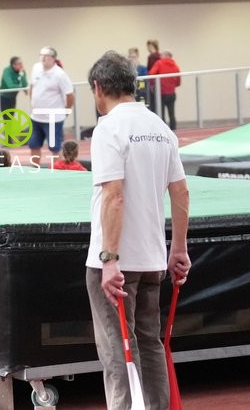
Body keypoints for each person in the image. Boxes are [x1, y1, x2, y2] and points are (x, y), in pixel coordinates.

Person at [85, 51, 190, 410]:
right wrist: (179, 249)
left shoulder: (109, 128)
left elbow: (114, 196)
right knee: (150, 342)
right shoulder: (161, 128)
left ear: (98, 88)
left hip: (116, 262)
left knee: (118, 350)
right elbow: (181, 192)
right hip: (152, 260)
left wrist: (109, 259)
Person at [28, 46, 74, 165]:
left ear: (53, 58)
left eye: (47, 55)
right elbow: (32, 86)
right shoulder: (36, 68)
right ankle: (34, 170)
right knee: (33, 145)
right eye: (41, 55)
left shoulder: (59, 74)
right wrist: (32, 102)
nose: (43, 58)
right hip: (36, 117)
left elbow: (70, 94)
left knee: (55, 148)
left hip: (53, 118)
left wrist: (66, 111)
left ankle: (57, 171)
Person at [148, 50, 181, 130]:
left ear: (166, 55)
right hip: (171, 93)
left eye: (162, 55)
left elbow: (151, 74)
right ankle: (174, 129)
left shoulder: (159, 63)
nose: (160, 56)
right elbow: (178, 81)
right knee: (171, 113)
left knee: (161, 113)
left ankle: (163, 130)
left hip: (161, 92)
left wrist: (152, 84)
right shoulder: (175, 65)